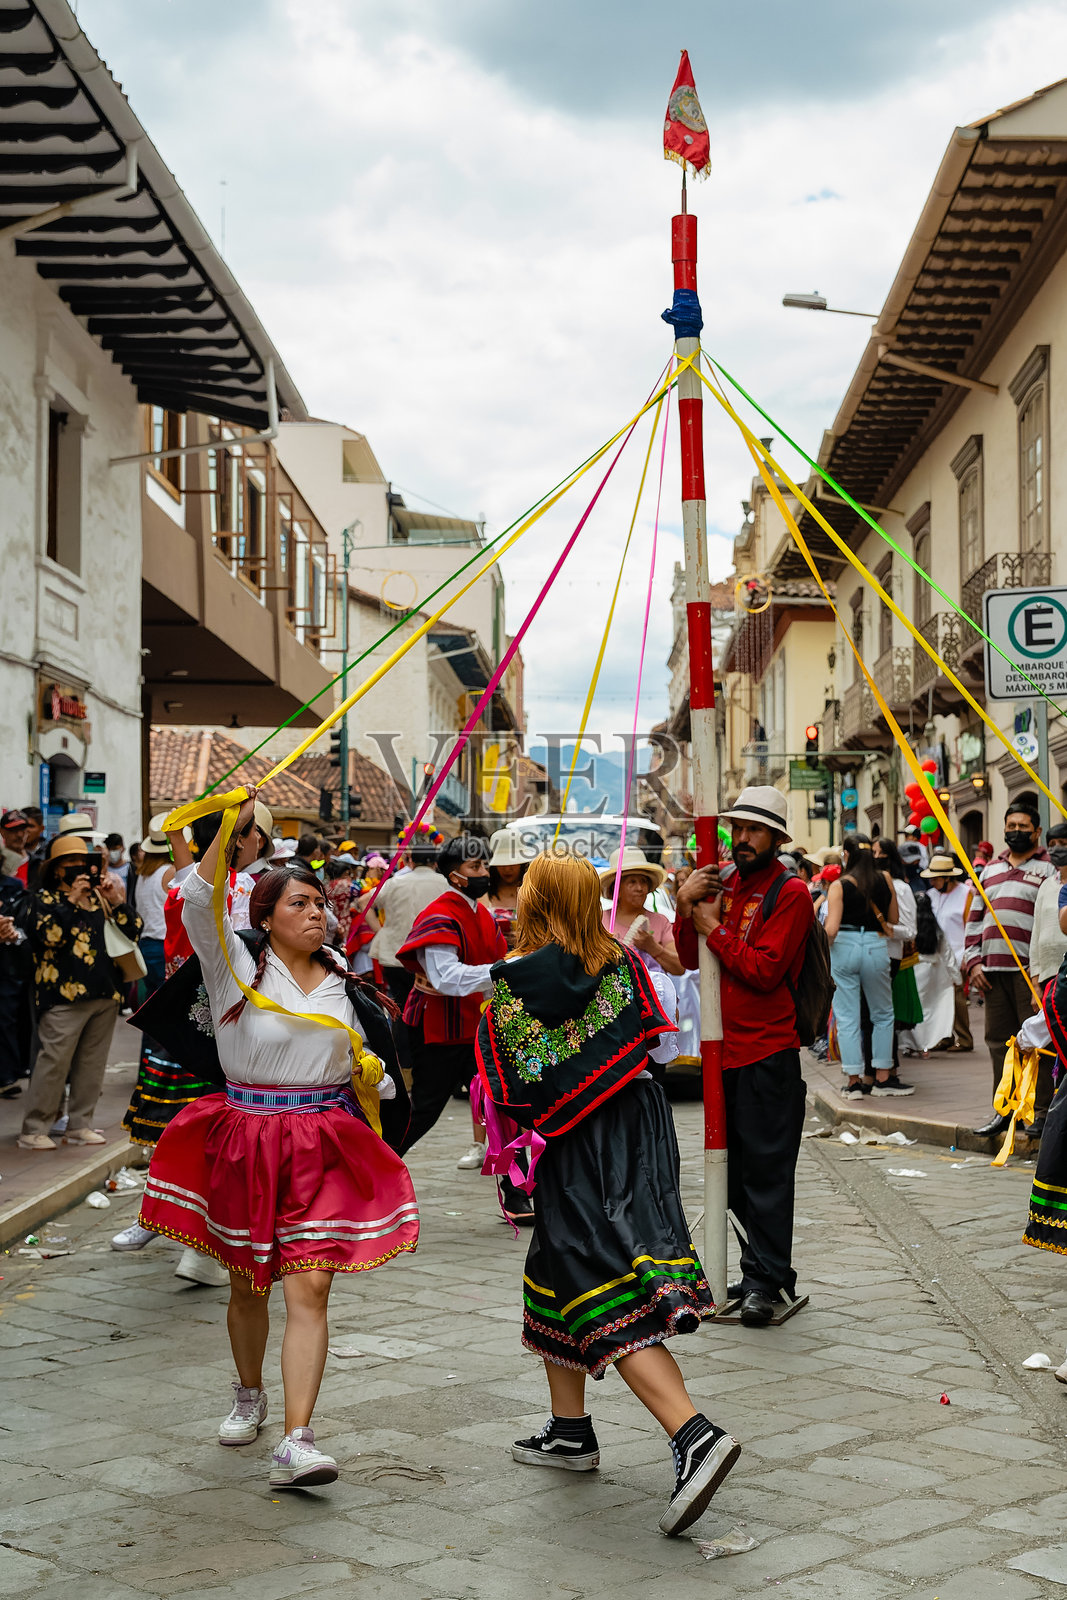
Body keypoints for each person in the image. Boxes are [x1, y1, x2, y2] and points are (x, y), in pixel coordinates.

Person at [137, 788, 418, 1489]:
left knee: (311, 1286)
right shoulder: (234, 967)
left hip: (322, 1140)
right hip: (246, 1136)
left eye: (321, 904)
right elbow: (197, 899)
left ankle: (297, 1440)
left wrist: (374, 1078)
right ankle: (248, 1393)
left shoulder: (345, 984)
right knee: (247, 1284)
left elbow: (366, 1069)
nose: (318, 913)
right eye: (300, 903)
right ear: (263, 916)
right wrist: (228, 829)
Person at [477, 853, 739, 1537]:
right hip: (639, 1126)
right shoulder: (623, 963)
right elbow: (660, 1047)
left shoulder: (510, 987)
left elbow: (516, 1090)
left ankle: (694, 1434)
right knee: (553, 1268)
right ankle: (569, 1431)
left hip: (576, 1140)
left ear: (533, 904)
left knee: (600, 1278)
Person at [674, 786, 814, 1326]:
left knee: (767, 1173)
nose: (743, 838)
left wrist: (711, 927)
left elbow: (764, 970)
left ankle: (763, 1278)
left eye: (755, 830)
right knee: (728, 1177)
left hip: (767, 1052)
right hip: (721, 1054)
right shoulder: (722, 881)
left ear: (776, 839)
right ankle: (763, 1268)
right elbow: (689, 959)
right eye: (738, 828)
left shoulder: (791, 892)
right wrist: (686, 905)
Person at [17, 835, 141, 1150]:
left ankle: (79, 1125)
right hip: (62, 997)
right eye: (70, 862)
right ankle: (34, 1128)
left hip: (105, 992)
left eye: (82, 862)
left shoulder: (98, 897)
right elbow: (49, 937)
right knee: (53, 1063)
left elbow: (133, 929)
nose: (78, 867)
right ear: (56, 869)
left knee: (92, 1065)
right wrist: (71, 900)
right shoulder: (42, 900)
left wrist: (116, 901)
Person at [396, 835, 506, 1152]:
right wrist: (502, 970)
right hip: (440, 1027)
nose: (484, 872)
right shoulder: (440, 914)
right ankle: (376, 1166)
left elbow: (498, 962)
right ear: (455, 876)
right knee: (425, 1110)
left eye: (485, 865)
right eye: (475, 866)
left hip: (475, 1025)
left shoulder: (483, 914)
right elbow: (445, 978)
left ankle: (515, 1176)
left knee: (499, 1102)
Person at [965, 803, 1054, 1139]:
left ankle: (1041, 1112)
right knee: (998, 1042)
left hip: (1030, 973)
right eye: (1011, 825)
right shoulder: (989, 870)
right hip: (992, 970)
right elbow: (975, 918)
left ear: (1037, 831)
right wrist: (973, 962)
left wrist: (1039, 973)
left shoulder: (1049, 869)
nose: (1016, 831)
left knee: (1037, 1042)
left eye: (1023, 826)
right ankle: (1005, 1110)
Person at [823, 834, 906, 1097]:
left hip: (845, 946)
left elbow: (831, 929)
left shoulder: (839, 885)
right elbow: (893, 918)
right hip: (875, 944)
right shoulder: (885, 879)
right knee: (882, 1014)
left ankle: (854, 1081)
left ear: (847, 855)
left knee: (848, 1017)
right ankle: (882, 1076)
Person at [367, 838, 442, 1012]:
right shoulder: (446, 884)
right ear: (435, 863)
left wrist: (380, 931)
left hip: (396, 955)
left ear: (411, 861)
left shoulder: (395, 882)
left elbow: (365, 902)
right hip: (431, 957)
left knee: (399, 1007)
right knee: (429, 1009)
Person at [872, 837, 920, 1072]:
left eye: (878, 853)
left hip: (888, 956)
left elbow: (910, 930)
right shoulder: (867, 884)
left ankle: (887, 1066)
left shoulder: (900, 888)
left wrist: (884, 928)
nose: (874, 858)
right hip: (869, 955)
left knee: (883, 1014)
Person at [600, 847, 684, 978]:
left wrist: (653, 947)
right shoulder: (600, 920)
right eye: (632, 882)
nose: (639, 888)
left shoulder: (661, 922)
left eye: (643, 881)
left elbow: (679, 968)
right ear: (616, 889)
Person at [900, 891, 962, 1057]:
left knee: (914, 1008)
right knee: (931, 1011)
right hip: (933, 972)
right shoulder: (936, 928)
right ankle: (926, 1045)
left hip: (914, 969)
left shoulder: (909, 926)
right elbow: (947, 954)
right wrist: (956, 978)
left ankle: (912, 1044)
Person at [922, 853, 973, 1051]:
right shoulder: (931, 895)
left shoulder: (966, 894)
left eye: (936, 878)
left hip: (959, 954)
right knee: (939, 998)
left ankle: (964, 1038)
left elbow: (970, 926)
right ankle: (944, 1035)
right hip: (937, 955)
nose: (932, 882)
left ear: (948, 877)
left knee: (957, 998)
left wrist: (968, 955)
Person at [0, 866, 32, 1095]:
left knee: (8, 1016)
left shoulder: (13, 887)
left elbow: (22, 926)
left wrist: (10, 932)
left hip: (7, 964)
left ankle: (8, 1073)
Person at [134, 828, 172, 994]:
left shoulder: (143, 874)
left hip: (145, 943)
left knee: (152, 997)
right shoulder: (169, 872)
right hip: (163, 944)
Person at [0, 810, 29, 877]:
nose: (19, 835)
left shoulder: (36, 865)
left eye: (23, 830)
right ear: (2, 832)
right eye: (14, 830)